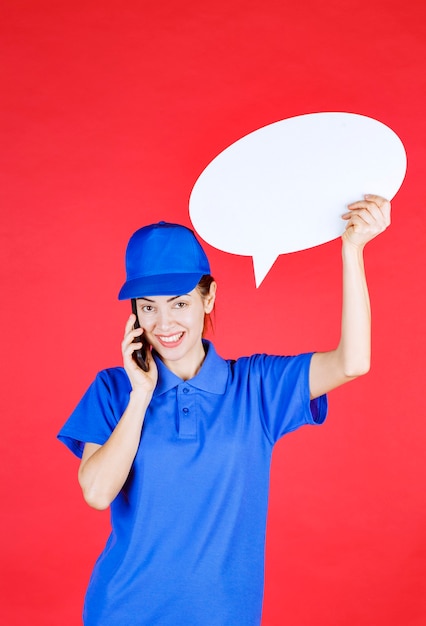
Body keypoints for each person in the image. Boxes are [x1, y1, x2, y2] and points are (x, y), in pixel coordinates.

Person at [58, 195, 391, 626]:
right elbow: (98, 493)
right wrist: (140, 394)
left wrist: (353, 250)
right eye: (148, 307)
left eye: (179, 303)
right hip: (122, 611)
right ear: (134, 314)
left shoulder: (256, 387)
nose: (164, 323)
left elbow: (353, 362)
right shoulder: (113, 389)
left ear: (208, 297)